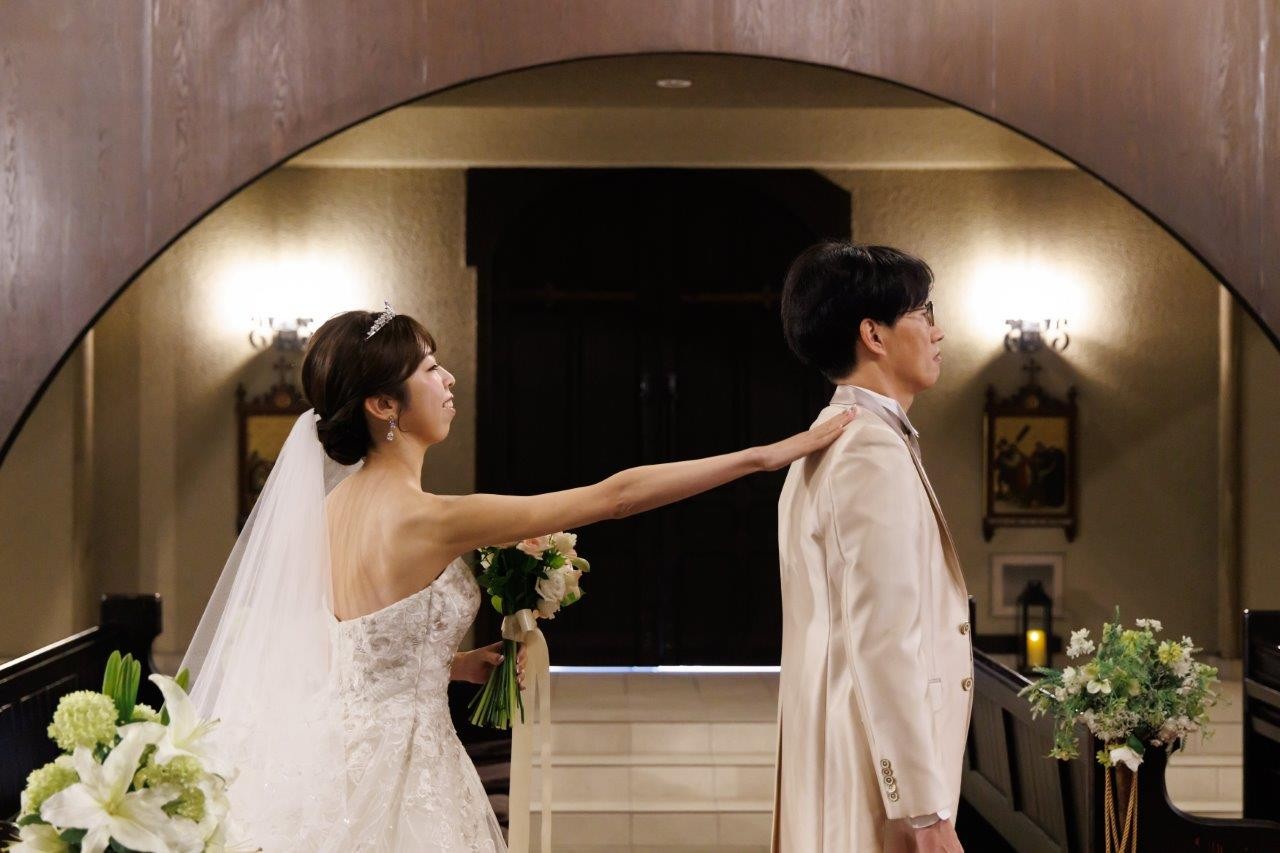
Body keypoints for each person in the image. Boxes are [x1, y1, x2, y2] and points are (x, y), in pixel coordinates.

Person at [180, 302, 853, 852]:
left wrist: (449, 663)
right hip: (407, 770)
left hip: (331, 764)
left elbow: (342, 646)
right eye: (430, 369)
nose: (448, 380)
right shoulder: (430, 518)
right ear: (384, 405)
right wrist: (765, 456)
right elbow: (614, 497)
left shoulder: (328, 511)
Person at [773, 243, 972, 852]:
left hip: (843, 747)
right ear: (874, 334)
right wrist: (925, 812)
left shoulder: (831, 436)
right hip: (869, 777)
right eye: (922, 313)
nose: (937, 332)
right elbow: (883, 639)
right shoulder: (868, 451)